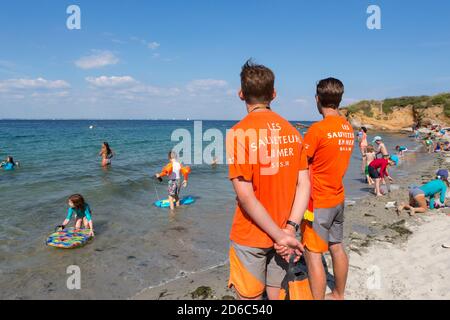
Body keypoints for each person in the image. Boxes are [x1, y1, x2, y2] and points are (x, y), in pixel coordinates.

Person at [226, 60, 310, 300]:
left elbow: (245, 195)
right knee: (277, 293)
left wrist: (278, 235)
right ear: (273, 94)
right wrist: (289, 230)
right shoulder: (293, 132)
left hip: (251, 234)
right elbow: (303, 184)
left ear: (241, 94)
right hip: (286, 232)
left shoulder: (238, 133)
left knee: (250, 298)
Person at [290, 78, 354, 300]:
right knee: (336, 246)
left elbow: (300, 163)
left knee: (313, 253)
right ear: (340, 99)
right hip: (338, 196)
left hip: (318, 202)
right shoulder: (347, 128)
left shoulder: (317, 130)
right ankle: (338, 294)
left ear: (317, 99)